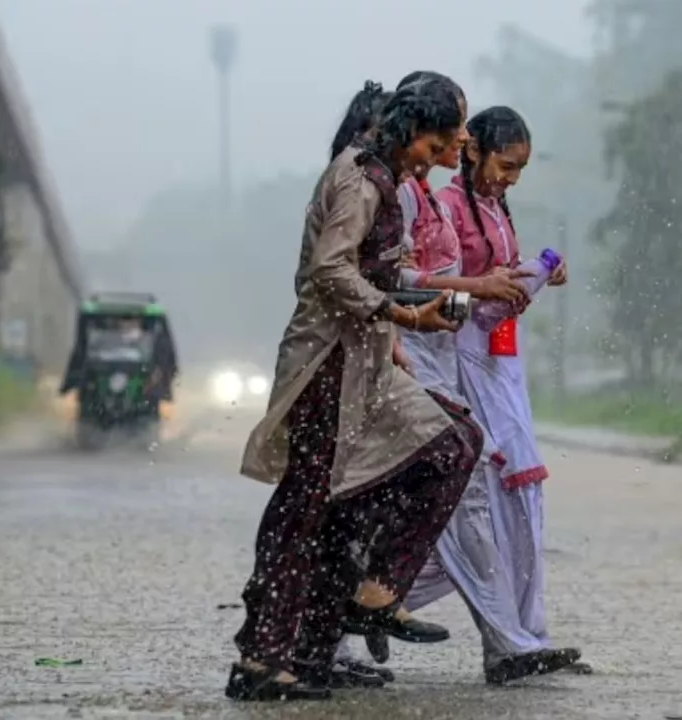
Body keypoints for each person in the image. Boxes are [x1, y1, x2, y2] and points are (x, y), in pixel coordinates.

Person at [226, 80, 483, 703]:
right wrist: (403, 317)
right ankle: (263, 657)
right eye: (436, 141)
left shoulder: (388, 179)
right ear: (408, 129)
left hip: (365, 361)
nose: (439, 154)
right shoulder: (361, 178)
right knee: (307, 506)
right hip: (326, 364)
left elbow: (377, 269)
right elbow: (329, 270)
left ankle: (367, 601)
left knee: (449, 445)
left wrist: (417, 306)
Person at [331, 77, 576, 686]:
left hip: (453, 355)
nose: (461, 137)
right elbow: (373, 279)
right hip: (417, 357)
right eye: (455, 129)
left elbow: (418, 279)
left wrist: (507, 281)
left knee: (471, 501)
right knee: (449, 497)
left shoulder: (425, 196)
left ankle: (380, 611)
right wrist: (462, 297)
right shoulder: (393, 192)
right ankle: (487, 636)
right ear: (425, 132)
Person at [435, 106, 587, 682]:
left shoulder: (497, 208)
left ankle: (526, 635)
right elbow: (430, 287)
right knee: (477, 507)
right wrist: (488, 289)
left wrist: (534, 273)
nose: (510, 179)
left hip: (502, 364)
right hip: (459, 362)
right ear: (471, 150)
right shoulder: (444, 209)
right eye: (505, 164)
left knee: (521, 504)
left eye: (520, 169)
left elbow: (497, 285)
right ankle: (508, 641)